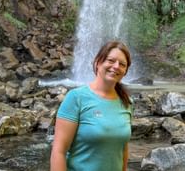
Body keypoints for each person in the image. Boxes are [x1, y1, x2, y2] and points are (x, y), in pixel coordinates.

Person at [50, 41, 133, 171]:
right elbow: (58, 152)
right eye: (111, 60)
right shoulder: (76, 98)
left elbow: (123, 148)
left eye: (122, 64)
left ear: (125, 71)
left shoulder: (126, 102)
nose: (116, 66)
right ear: (98, 62)